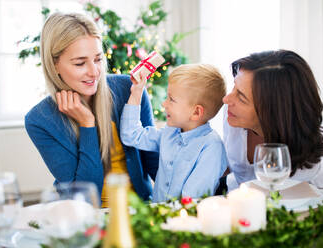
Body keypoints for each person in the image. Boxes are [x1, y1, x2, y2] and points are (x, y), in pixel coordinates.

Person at [24, 12, 159, 207]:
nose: (94, 72)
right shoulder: (40, 120)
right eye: (80, 63)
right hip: (86, 217)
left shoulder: (127, 90)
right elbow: (83, 196)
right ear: (54, 65)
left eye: (98, 59)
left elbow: (155, 164)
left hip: (140, 210)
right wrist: (87, 124)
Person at [221, 50, 323, 192]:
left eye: (241, 97)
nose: (226, 99)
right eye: (234, 87)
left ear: (274, 111)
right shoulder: (233, 118)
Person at [120, 64, 228, 202]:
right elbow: (132, 135)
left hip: (183, 220)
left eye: (171, 99)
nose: (164, 104)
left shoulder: (212, 147)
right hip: (157, 216)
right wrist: (136, 92)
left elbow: (190, 200)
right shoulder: (170, 133)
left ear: (196, 112)